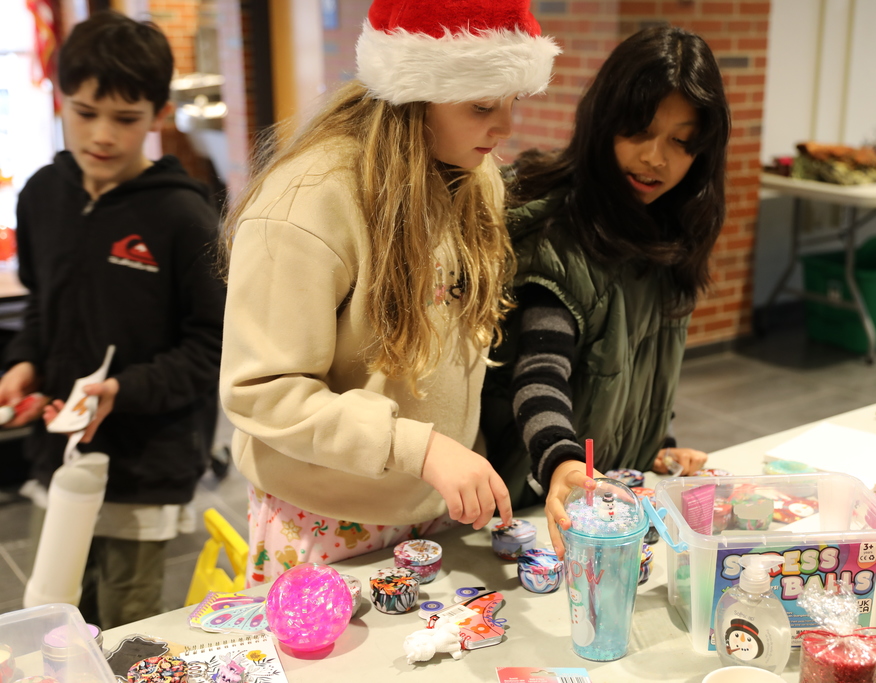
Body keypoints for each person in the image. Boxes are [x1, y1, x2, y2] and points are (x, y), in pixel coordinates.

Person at [218, 0, 559, 585]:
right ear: (415, 93)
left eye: (512, 102)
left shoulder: (472, 174)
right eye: (481, 106)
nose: (505, 128)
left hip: (432, 503)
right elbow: (261, 392)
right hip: (326, 515)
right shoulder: (308, 201)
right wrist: (418, 449)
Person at [0, 10, 225, 627]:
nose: (101, 135)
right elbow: (43, 303)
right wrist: (25, 363)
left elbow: (212, 345)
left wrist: (123, 390)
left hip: (146, 462)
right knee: (54, 614)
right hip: (61, 452)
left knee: (126, 624)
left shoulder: (183, 217)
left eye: (125, 118)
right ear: (61, 101)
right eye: (84, 112)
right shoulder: (42, 194)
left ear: (157, 116)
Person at [480, 26, 730, 557]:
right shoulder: (559, 237)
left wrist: (657, 447)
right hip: (540, 508)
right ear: (603, 122)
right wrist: (561, 460)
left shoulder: (668, 232)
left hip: (612, 498)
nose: (656, 158)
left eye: (681, 141)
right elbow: (540, 372)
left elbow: (637, 371)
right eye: (639, 131)